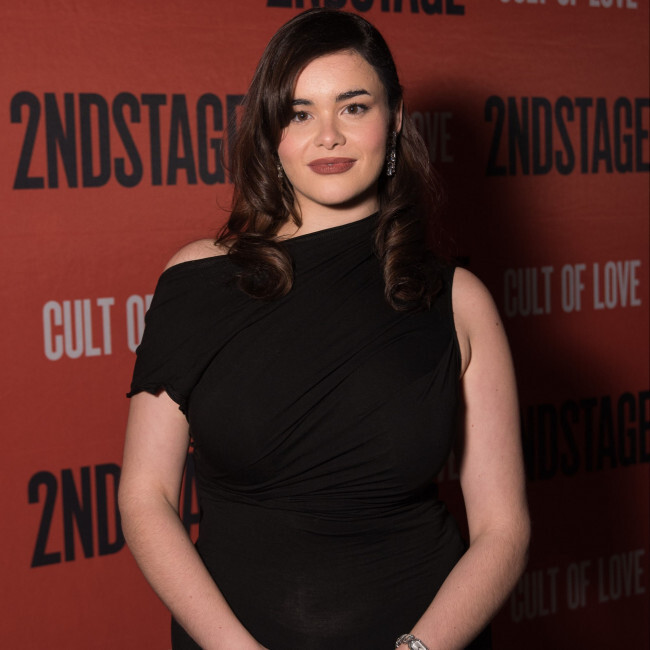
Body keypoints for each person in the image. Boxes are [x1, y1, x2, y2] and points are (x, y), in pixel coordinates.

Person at [118, 8, 530, 650]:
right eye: (300, 113)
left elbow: (503, 531)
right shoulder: (198, 280)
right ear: (270, 132)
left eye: (353, 107)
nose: (328, 136)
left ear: (395, 119)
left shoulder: (457, 300)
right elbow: (145, 497)